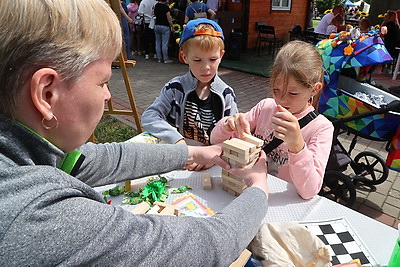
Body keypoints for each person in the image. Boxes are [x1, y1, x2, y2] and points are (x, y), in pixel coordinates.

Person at [0, 0, 269, 265]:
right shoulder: (42, 215)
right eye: (103, 82)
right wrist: (259, 188)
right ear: (47, 93)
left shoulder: (26, 150)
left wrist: (195, 151)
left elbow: (97, 159)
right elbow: (206, 246)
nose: (108, 96)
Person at [211, 40, 334, 200]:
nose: (282, 100)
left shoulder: (321, 128)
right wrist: (228, 126)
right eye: (276, 90)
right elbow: (215, 140)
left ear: (314, 89)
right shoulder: (265, 108)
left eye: (293, 93)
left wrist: (297, 146)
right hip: (247, 194)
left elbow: (309, 191)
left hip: (280, 201)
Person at [141, 18, 238, 171]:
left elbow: (235, 135)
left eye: (212, 59)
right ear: (184, 57)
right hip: (180, 162)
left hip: (212, 165)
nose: (206, 67)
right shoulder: (174, 88)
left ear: (221, 56)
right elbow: (149, 116)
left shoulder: (227, 95)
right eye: (197, 60)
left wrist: (217, 153)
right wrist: (177, 140)